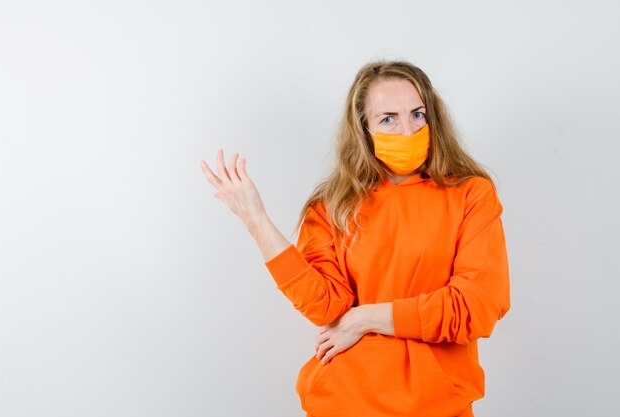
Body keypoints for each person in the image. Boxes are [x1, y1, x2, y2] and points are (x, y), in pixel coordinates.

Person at [200, 60, 510, 417]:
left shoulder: (470, 194)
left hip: (439, 405)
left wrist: (364, 318)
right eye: (388, 119)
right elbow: (326, 307)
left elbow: (475, 308)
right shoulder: (333, 205)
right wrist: (255, 220)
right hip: (343, 402)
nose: (408, 131)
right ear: (364, 129)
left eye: (418, 114)